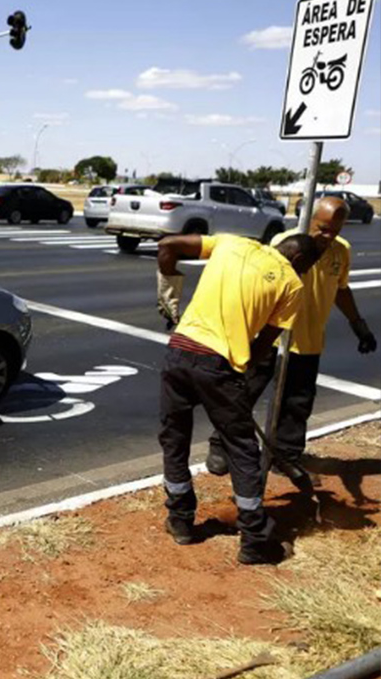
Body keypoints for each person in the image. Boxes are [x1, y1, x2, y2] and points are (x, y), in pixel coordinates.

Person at [156, 232, 320, 564]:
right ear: (300, 262)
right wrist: (240, 373)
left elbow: (167, 245)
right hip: (220, 365)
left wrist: (168, 295)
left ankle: (181, 521)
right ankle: (255, 540)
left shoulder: (231, 243)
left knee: (174, 438)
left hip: (179, 351)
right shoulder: (292, 284)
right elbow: (265, 344)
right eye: (307, 268)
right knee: (242, 449)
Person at [205, 196, 377, 486]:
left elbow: (340, 289)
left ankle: (285, 456)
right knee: (246, 391)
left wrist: (358, 325)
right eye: (322, 228)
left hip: (309, 340)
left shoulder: (340, 251)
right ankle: (221, 443)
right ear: (310, 218)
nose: (328, 236)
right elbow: (259, 284)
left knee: (298, 403)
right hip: (272, 336)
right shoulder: (285, 242)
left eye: (335, 230)